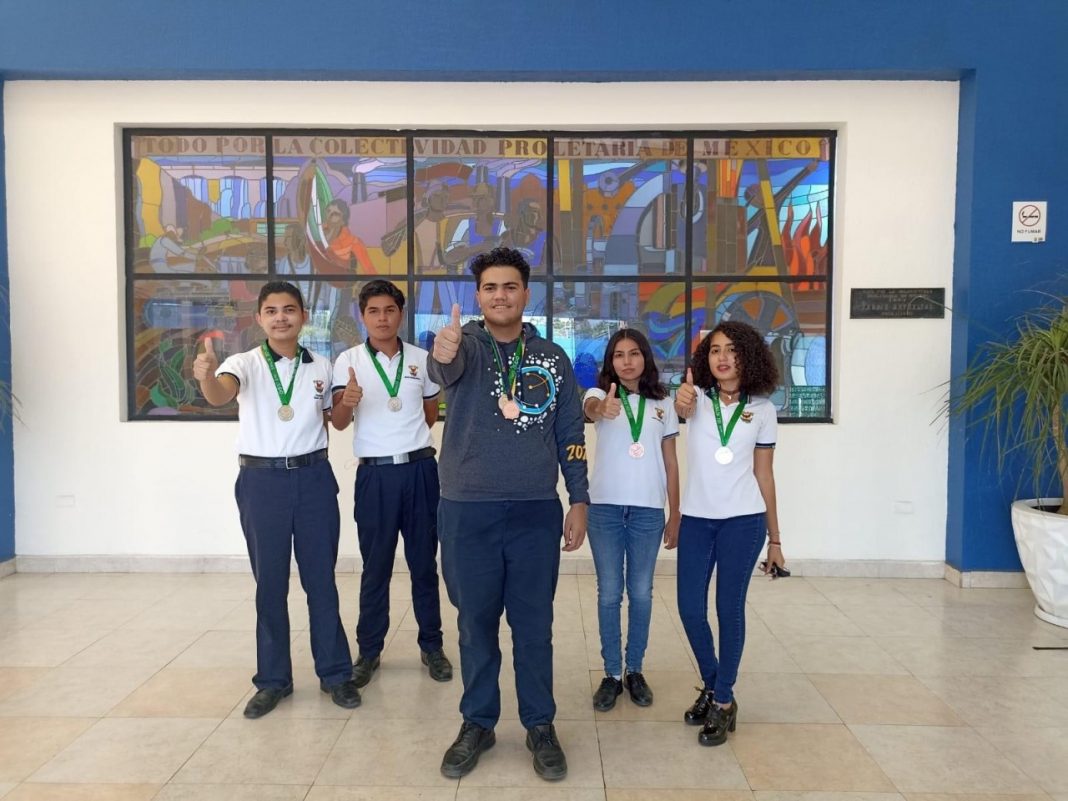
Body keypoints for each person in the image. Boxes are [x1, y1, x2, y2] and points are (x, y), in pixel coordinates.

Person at [428, 246, 589, 781]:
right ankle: (478, 723)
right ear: (478, 296)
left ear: (525, 293)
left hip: (534, 511)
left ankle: (539, 724)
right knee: (474, 625)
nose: (500, 296)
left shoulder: (552, 357)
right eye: (490, 288)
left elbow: (570, 431)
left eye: (510, 286)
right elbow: (443, 368)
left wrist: (579, 498)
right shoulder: (465, 346)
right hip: (466, 510)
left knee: (534, 626)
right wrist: (444, 350)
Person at [192, 281, 361, 719]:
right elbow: (220, 394)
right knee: (270, 584)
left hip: (313, 479)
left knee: (320, 581)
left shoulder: (322, 365)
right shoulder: (243, 363)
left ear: (303, 316)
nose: (281, 317)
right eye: (272, 311)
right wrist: (206, 377)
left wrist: (349, 402)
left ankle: (335, 674)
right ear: (260, 319)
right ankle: (273, 681)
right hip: (261, 482)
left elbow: (338, 422)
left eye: (289, 309)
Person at [331, 279, 453, 688]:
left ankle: (432, 646)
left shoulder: (421, 359)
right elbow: (339, 423)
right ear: (362, 316)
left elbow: (429, 414)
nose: (382, 318)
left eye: (389, 310)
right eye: (373, 311)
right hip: (375, 476)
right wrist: (346, 402)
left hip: (420, 471)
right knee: (376, 566)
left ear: (400, 314)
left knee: (424, 564)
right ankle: (368, 651)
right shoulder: (348, 361)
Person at [673, 321, 786, 746]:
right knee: (689, 609)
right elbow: (681, 407)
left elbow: (764, 474)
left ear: (748, 356)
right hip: (697, 520)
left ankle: (722, 701)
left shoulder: (764, 410)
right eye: (715, 350)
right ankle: (712, 682)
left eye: (732, 350)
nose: (722, 357)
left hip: (744, 521)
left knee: (728, 609)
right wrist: (682, 399)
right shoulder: (696, 399)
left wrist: (775, 540)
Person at [582, 328, 680, 711]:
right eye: (619, 355)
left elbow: (671, 462)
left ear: (645, 358)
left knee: (640, 592)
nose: (627, 361)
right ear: (611, 361)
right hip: (605, 509)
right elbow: (592, 409)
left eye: (634, 353)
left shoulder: (664, 404)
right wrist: (600, 409)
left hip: (648, 511)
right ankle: (611, 673)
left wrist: (675, 513)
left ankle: (634, 669)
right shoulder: (599, 394)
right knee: (609, 593)